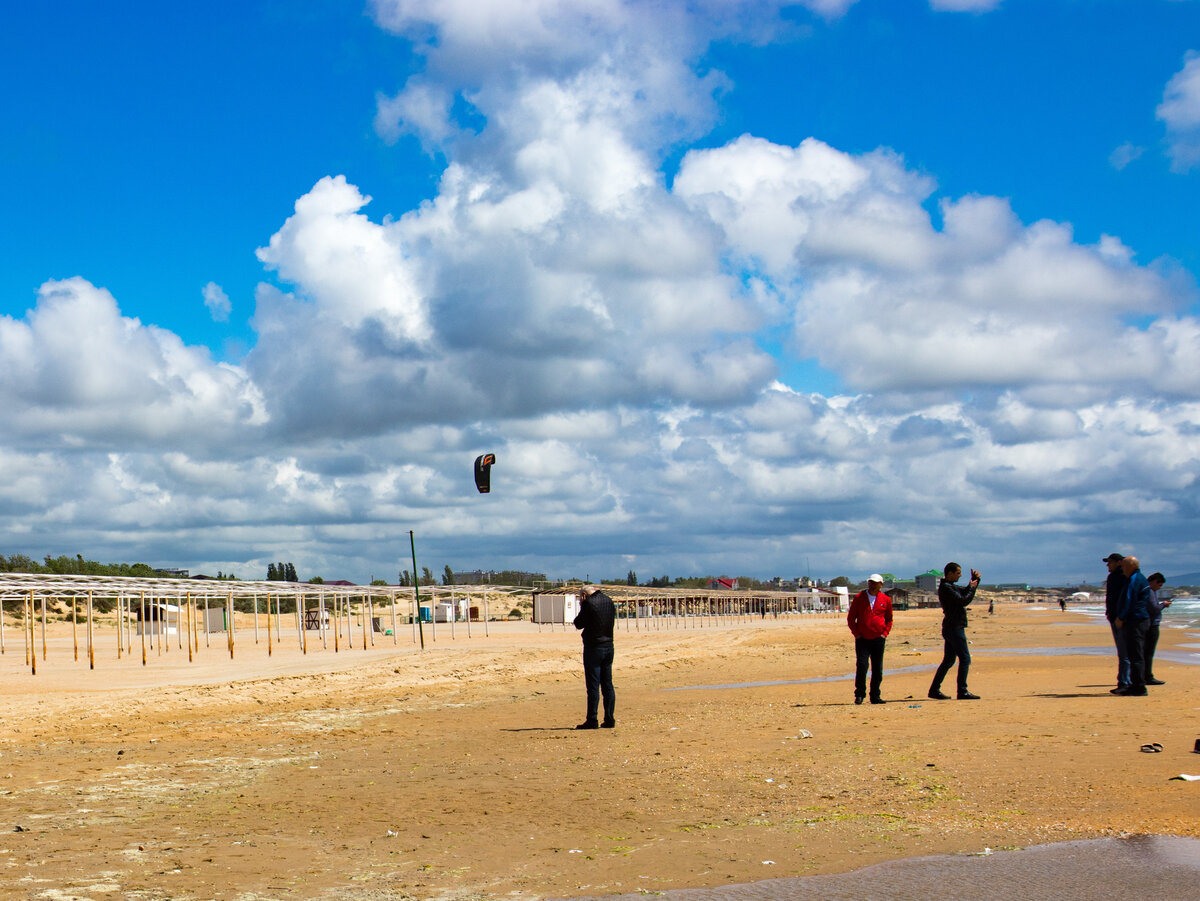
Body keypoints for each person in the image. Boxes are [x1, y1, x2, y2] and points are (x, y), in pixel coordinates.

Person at [928, 562, 980, 700]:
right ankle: (962, 691)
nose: (960, 575)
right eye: (958, 573)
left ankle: (934, 690)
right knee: (965, 659)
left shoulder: (950, 586)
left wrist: (975, 582)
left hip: (952, 627)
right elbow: (963, 600)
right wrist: (973, 589)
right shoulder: (946, 588)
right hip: (954, 628)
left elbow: (964, 591)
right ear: (950, 573)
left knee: (949, 660)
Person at [573, 584, 616, 729]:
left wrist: (583, 605)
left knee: (593, 686)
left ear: (584, 595)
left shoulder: (589, 604)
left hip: (594, 647)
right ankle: (609, 719)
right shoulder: (609, 601)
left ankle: (592, 719)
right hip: (609, 645)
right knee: (607, 684)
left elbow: (578, 623)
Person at [847, 574, 893, 705]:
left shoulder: (886, 599)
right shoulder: (859, 598)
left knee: (877, 668)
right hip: (862, 639)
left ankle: (875, 696)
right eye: (871, 582)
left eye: (876, 583)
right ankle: (859, 694)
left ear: (881, 585)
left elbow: (889, 619)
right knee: (862, 666)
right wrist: (856, 634)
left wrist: (884, 633)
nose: (873, 585)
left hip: (878, 639)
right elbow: (851, 618)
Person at [1114, 557, 1151, 696]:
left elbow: (1129, 600)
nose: (1122, 569)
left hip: (1136, 620)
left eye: (1123, 566)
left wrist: (1121, 617)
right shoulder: (1137, 578)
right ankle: (1136, 684)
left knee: (1135, 655)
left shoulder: (1135, 579)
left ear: (1131, 566)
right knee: (1134, 654)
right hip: (1138, 620)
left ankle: (1139, 686)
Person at [1102, 552, 1130, 694]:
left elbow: (1126, 599)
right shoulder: (1113, 577)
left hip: (1121, 619)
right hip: (1115, 617)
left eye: (1110, 562)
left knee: (1124, 652)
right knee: (1124, 652)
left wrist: (1120, 616)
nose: (1108, 564)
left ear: (1119, 562)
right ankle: (1125, 681)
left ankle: (1125, 682)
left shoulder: (1124, 577)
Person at [1144, 571, 1170, 686]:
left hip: (1147, 624)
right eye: (1159, 585)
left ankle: (1144, 675)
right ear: (1154, 582)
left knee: (1145, 652)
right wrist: (1164, 604)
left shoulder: (1146, 590)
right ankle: (1147, 676)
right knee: (1148, 652)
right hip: (1151, 625)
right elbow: (1154, 609)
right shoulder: (1150, 592)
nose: (1159, 588)